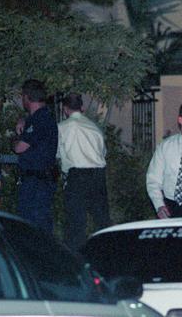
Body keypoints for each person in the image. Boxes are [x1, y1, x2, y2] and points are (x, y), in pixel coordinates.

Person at [57, 93, 110, 252]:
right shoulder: (94, 127)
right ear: (82, 108)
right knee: (102, 220)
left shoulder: (62, 127)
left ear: (65, 109)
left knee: (75, 223)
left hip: (77, 176)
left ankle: (75, 260)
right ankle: (108, 254)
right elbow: (103, 152)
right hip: (98, 176)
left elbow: (57, 153)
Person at [14, 79, 59, 233]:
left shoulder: (40, 119)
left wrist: (17, 135)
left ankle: (41, 256)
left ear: (27, 97)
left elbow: (20, 148)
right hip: (39, 180)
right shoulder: (42, 118)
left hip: (37, 182)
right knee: (37, 223)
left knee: (33, 225)